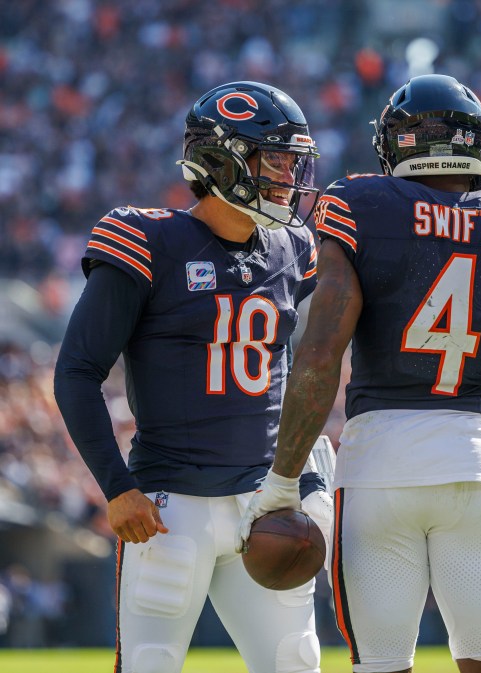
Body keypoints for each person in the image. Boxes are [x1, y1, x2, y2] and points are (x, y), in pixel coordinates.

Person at [236, 74, 481, 673]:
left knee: (381, 665)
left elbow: (322, 353)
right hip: (474, 464)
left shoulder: (360, 203)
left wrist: (282, 482)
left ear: (397, 144)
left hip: (378, 465)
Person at [54, 81, 333, 673]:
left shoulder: (293, 248)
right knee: (151, 664)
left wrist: (304, 474)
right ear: (221, 159)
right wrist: (115, 486)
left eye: (293, 160)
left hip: (265, 504)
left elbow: (292, 370)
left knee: (295, 663)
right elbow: (77, 371)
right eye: (275, 159)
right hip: (169, 509)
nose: (289, 176)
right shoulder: (149, 239)